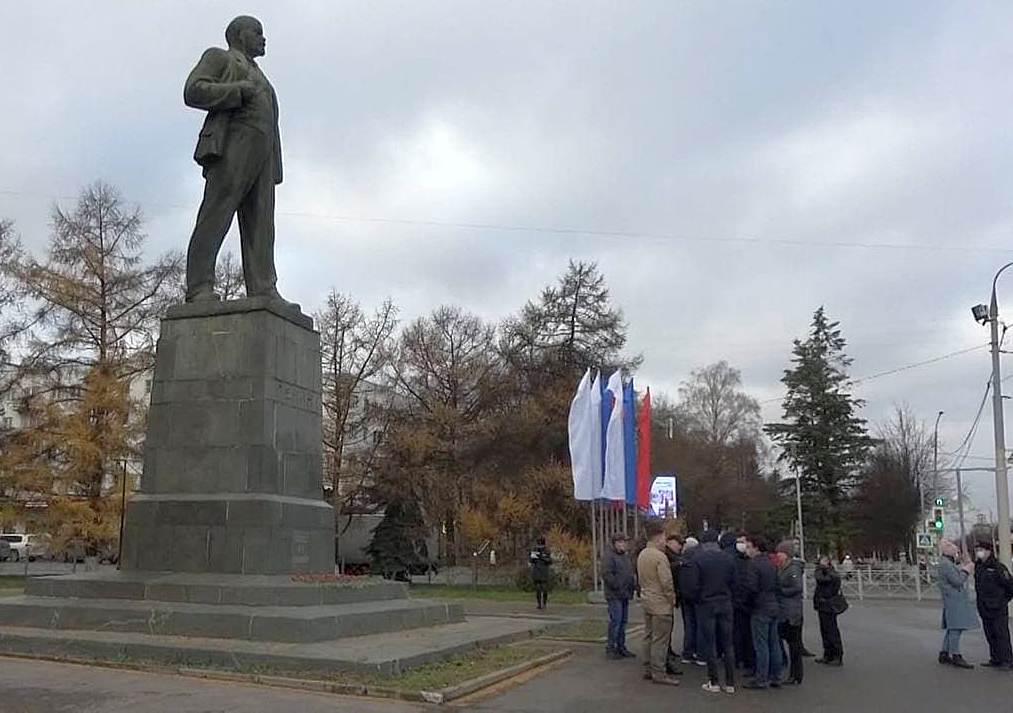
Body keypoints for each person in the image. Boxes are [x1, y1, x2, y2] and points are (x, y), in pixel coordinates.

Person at [183, 16, 295, 307]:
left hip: (263, 153)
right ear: (239, 35)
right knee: (216, 213)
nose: (263, 38)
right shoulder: (219, 57)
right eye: (257, 32)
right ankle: (199, 287)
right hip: (233, 144)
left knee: (262, 222)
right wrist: (236, 92)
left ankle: (264, 287)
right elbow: (193, 90)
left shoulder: (261, 75)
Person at [637, 519, 680, 686]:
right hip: (661, 603)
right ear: (659, 537)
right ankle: (659, 673)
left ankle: (647, 667)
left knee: (648, 636)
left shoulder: (643, 554)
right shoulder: (660, 557)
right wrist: (672, 598)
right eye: (663, 536)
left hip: (647, 599)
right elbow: (666, 582)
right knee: (660, 640)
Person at [693, 530, 737, 694]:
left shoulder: (698, 559)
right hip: (725, 602)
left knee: (710, 643)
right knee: (728, 643)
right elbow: (735, 582)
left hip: (706, 604)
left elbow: (693, 585)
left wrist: (698, 598)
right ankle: (731, 682)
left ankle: (714, 681)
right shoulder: (729, 559)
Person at [743, 535, 782, 690]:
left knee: (761, 644)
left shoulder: (754, 564)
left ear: (755, 547)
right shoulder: (772, 563)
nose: (747, 549)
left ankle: (761, 678)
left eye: (748, 546)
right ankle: (776, 676)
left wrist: (747, 603)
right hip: (773, 605)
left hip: (760, 607)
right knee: (774, 642)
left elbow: (751, 588)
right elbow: (778, 584)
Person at [972, 540, 1013, 669]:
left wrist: (1003, 600)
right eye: (977, 550)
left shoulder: (998, 567)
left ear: (988, 551)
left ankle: (1007, 660)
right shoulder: (979, 567)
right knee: (990, 634)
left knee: (1001, 634)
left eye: (981, 550)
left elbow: (1010, 586)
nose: (979, 552)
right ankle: (995, 658)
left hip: (998, 607)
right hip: (984, 606)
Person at [937, 539, 977, 668]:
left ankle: (944, 652)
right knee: (956, 628)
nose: (957, 553)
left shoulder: (945, 563)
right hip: (954, 600)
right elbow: (957, 581)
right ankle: (956, 654)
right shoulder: (946, 564)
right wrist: (966, 570)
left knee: (952, 627)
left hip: (951, 599)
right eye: (955, 551)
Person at [603, 533, 637, 660]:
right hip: (615, 595)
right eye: (620, 542)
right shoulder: (609, 557)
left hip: (625, 594)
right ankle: (611, 647)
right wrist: (617, 585)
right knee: (615, 621)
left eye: (624, 542)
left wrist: (632, 586)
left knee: (623, 622)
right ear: (615, 543)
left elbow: (629, 573)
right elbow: (607, 575)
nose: (623, 545)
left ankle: (621, 647)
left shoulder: (625, 557)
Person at [774, 541, 804, 685]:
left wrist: (781, 591)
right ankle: (791, 670)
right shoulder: (782, 567)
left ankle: (796, 674)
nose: (777, 555)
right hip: (784, 609)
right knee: (785, 640)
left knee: (794, 645)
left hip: (792, 611)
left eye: (779, 553)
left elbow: (797, 587)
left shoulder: (793, 569)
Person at [813, 554, 846, 666]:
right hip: (823, 604)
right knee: (825, 630)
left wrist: (822, 568)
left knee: (831, 630)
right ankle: (828, 654)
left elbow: (821, 579)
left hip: (828, 604)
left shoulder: (830, 573)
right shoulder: (827, 572)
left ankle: (837, 655)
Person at [730, 534, 755, 675]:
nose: (741, 544)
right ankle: (742, 658)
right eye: (739, 541)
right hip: (742, 602)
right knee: (740, 632)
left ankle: (743, 658)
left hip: (743, 601)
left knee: (743, 632)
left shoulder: (749, 562)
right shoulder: (740, 561)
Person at [678, 536, 703, 665]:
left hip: (685, 597)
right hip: (697, 597)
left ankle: (687, 652)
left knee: (689, 625)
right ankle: (699, 653)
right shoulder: (699, 560)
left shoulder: (682, 560)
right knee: (699, 625)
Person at [664, 533, 685, 676]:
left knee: (669, 625)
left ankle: (669, 649)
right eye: (678, 543)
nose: (680, 546)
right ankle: (666, 655)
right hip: (667, 596)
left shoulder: (675, 556)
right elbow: (666, 573)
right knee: (664, 627)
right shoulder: (666, 556)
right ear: (670, 542)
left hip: (673, 594)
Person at [529, 537, 553, 610]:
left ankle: (544, 603)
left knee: (545, 589)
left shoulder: (547, 551)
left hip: (544, 571)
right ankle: (539, 604)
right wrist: (533, 557)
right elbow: (531, 560)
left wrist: (542, 557)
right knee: (538, 589)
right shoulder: (534, 550)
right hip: (537, 571)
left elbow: (550, 561)